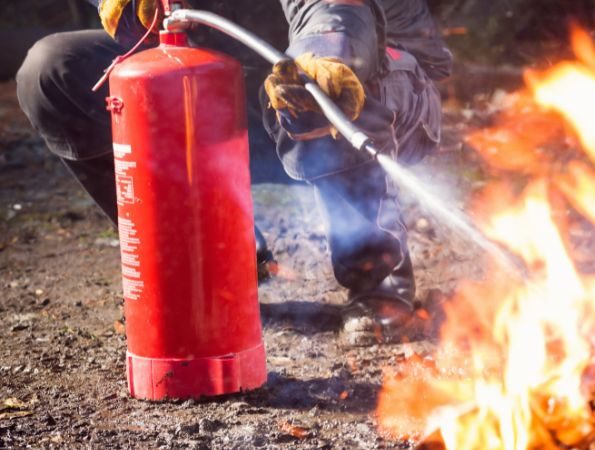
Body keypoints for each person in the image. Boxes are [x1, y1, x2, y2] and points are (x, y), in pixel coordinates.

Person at [15, 0, 452, 344]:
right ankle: (216, 263)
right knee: (53, 69)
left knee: (318, 79)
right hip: (232, 80)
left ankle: (377, 282)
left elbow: (334, 11)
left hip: (378, 74)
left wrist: (324, 52)